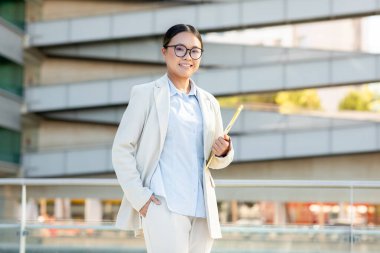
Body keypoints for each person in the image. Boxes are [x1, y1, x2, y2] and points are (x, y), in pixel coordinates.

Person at [112, 24, 234, 253]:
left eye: (194, 51)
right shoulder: (146, 94)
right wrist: (141, 199)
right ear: (164, 52)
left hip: (202, 206)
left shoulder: (209, 102)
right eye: (180, 49)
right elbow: (121, 149)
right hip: (163, 203)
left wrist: (223, 151)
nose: (187, 57)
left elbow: (216, 161)